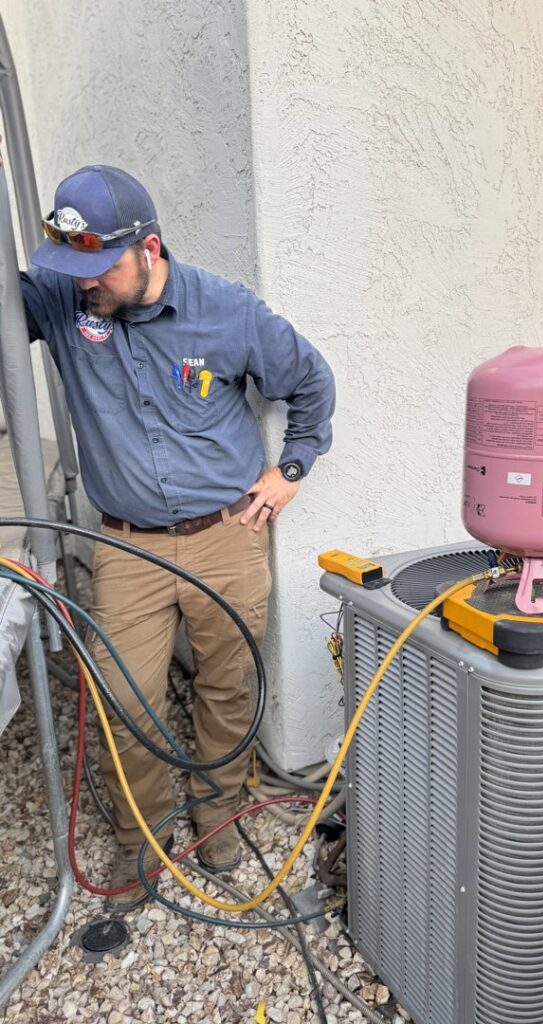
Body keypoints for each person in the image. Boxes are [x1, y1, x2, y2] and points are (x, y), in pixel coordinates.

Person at [19, 164, 335, 911]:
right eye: (71, 268)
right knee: (128, 698)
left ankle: (221, 814)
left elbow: (312, 382)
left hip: (227, 534)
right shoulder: (65, 302)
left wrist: (290, 468)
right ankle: (142, 838)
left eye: (98, 268)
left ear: (149, 250)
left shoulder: (226, 311)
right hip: (127, 547)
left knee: (229, 683)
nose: (82, 283)